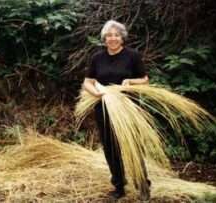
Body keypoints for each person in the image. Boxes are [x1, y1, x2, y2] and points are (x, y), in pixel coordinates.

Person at [83, 20, 151, 201]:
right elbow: (87, 82)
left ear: (122, 38)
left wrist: (130, 82)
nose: (112, 38)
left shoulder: (132, 56)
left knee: (133, 147)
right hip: (104, 108)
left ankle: (143, 184)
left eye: (116, 35)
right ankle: (119, 186)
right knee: (111, 148)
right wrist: (96, 93)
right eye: (109, 35)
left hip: (128, 108)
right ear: (104, 38)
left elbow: (145, 80)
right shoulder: (97, 58)